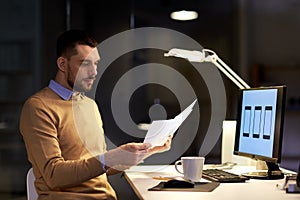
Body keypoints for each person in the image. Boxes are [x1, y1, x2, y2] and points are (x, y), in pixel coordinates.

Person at [19, 29, 171, 200]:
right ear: (62, 64)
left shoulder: (89, 105)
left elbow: (98, 166)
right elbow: (54, 175)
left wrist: (144, 152)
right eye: (85, 64)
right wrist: (110, 157)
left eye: (96, 63)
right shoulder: (38, 108)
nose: (94, 72)